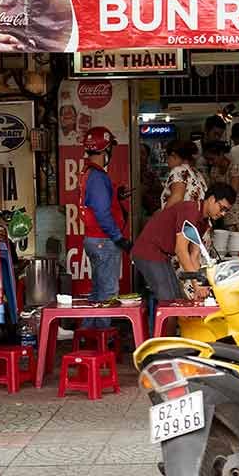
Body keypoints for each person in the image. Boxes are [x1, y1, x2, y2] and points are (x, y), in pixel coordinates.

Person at [133, 183, 236, 335]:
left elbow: (194, 256)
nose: (223, 214)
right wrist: (196, 286)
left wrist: (200, 285)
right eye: (223, 208)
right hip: (148, 251)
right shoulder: (190, 210)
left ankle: (171, 343)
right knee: (169, 304)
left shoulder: (204, 222)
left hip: (162, 256)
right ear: (212, 199)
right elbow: (181, 250)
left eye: (227, 211)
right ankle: (162, 348)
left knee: (178, 301)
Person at [79, 127, 133, 329]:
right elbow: (102, 213)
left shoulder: (88, 173)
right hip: (103, 240)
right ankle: (102, 338)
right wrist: (118, 237)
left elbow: (98, 206)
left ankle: (86, 334)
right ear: (105, 150)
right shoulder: (98, 176)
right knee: (108, 292)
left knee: (97, 292)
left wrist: (115, 198)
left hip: (94, 240)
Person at [206, 140, 239, 243]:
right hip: (229, 214)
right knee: (233, 247)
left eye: (212, 159)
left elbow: (232, 194)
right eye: (208, 159)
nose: (210, 162)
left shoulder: (234, 168)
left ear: (221, 154)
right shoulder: (214, 170)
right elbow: (213, 192)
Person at [161, 140, 207, 210]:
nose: (167, 162)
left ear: (174, 155)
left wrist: (161, 217)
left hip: (183, 219)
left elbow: (177, 197)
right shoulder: (197, 173)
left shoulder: (179, 170)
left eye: (167, 157)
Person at [195, 115, 227, 182]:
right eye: (215, 134)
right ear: (206, 130)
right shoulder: (195, 147)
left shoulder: (222, 150)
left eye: (220, 135)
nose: (217, 138)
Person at [139, 143, 163, 217]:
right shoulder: (137, 172)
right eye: (137, 153)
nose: (139, 156)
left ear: (147, 157)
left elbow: (139, 192)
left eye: (142, 153)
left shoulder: (148, 174)